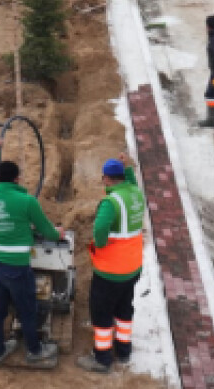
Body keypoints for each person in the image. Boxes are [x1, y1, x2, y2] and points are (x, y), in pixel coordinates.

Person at [0, 160, 62, 368]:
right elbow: (47, 230)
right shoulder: (27, 201)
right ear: (17, 179)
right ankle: (35, 350)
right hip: (17, 266)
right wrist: (57, 233)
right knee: (27, 309)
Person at [78, 158, 146, 373]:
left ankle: (102, 358)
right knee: (124, 307)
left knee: (102, 313)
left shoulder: (111, 202)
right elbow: (133, 182)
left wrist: (99, 244)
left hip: (111, 271)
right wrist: (127, 168)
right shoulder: (135, 194)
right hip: (132, 266)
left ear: (107, 178)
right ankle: (124, 351)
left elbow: (100, 229)